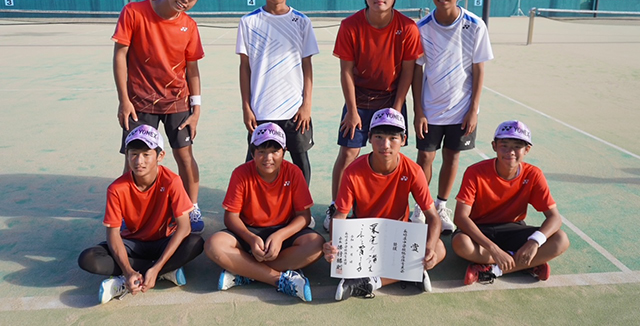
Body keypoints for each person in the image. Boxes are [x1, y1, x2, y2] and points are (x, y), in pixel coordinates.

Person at [326, 0, 422, 231]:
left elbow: (408, 72)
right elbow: (346, 71)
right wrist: (352, 110)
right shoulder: (350, 25)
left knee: (388, 155)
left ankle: (390, 211)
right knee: (348, 153)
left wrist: (397, 108)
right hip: (359, 98)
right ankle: (336, 207)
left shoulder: (408, 27)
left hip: (391, 97)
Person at [112, 0, 207, 234]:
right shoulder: (134, 12)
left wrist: (196, 109)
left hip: (177, 102)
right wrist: (124, 100)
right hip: (139, 102)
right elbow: (120, 55)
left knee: (185, 156)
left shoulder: (189, 26)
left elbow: (192, 69)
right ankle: (127, 211)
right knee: (134, 156)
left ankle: (191, 206)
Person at [323, 108, 446, 300]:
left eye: (393, 138)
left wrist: (429, 248)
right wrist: (335, 245)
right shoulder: (353, 171)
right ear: (369, 138)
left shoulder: (413, 171)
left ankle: (371, 281)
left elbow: (433, 217)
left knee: (439, 248)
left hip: (399, 235)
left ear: (403, 140)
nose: (385, 145)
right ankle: (408, 273)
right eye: (379, 137)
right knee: (334, 256)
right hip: (364, 235)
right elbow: (340, 216)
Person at [78, 125, 204, 304]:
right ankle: (162, 272)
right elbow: (113, 235)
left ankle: (136, 276)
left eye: (146, 154)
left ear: (160, 156)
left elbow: (184, 228)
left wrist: (156, 266)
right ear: (127, 155)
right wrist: (128, 271)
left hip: (163, 241)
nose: (139, 161)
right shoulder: (116, 189)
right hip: (132, 243)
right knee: (88, 258)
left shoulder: (172, 181)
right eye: (134, 154)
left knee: (196, 243)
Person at [411, 0, 494, 234]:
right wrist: (419, 111)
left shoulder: (475, 26)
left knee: (452, 157)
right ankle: (421, 207)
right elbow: (417, 70)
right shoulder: (421, 28)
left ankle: (440, 205)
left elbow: (479, 69)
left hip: (461, 109)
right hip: (431, 109)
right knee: (425, 158)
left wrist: (474, 109)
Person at [204, 123, 325, 302]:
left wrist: (280, 236)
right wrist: (251, 239)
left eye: (275, 151)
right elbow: (231, 217)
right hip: (249, 231)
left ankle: (245, 270)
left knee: (316, 245)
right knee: (214, 245)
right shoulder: (240, 173)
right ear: (252, 153)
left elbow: (303, 216)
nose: (268, 158)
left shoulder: (294, 172)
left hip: (283, 230)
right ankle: (277, 279)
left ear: (284, 152)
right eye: (261, 151)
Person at [451, 120, 570, 285]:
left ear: (527, 150)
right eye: (504, 145)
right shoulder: (475, 172)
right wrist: (494, 249)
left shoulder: (533, 175)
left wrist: (534, 242)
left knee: (561, 239)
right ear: (494, 146)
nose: (510, 152)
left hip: (513, 228)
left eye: (517, 146)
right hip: (480, 230)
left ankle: (492, 269)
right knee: (460, 243)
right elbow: (460, 217)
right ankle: (528, 263)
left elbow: (555, 218)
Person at [237, 0, 319, 187]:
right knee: (254, 163)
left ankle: (302, 205)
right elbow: (244, 68)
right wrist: (246, 107)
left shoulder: (301, 22)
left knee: (300, 161)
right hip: (261, 109)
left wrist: (306, 106)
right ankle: (251, 203)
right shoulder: (248, 22)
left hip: (295, 111)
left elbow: (307, 66)